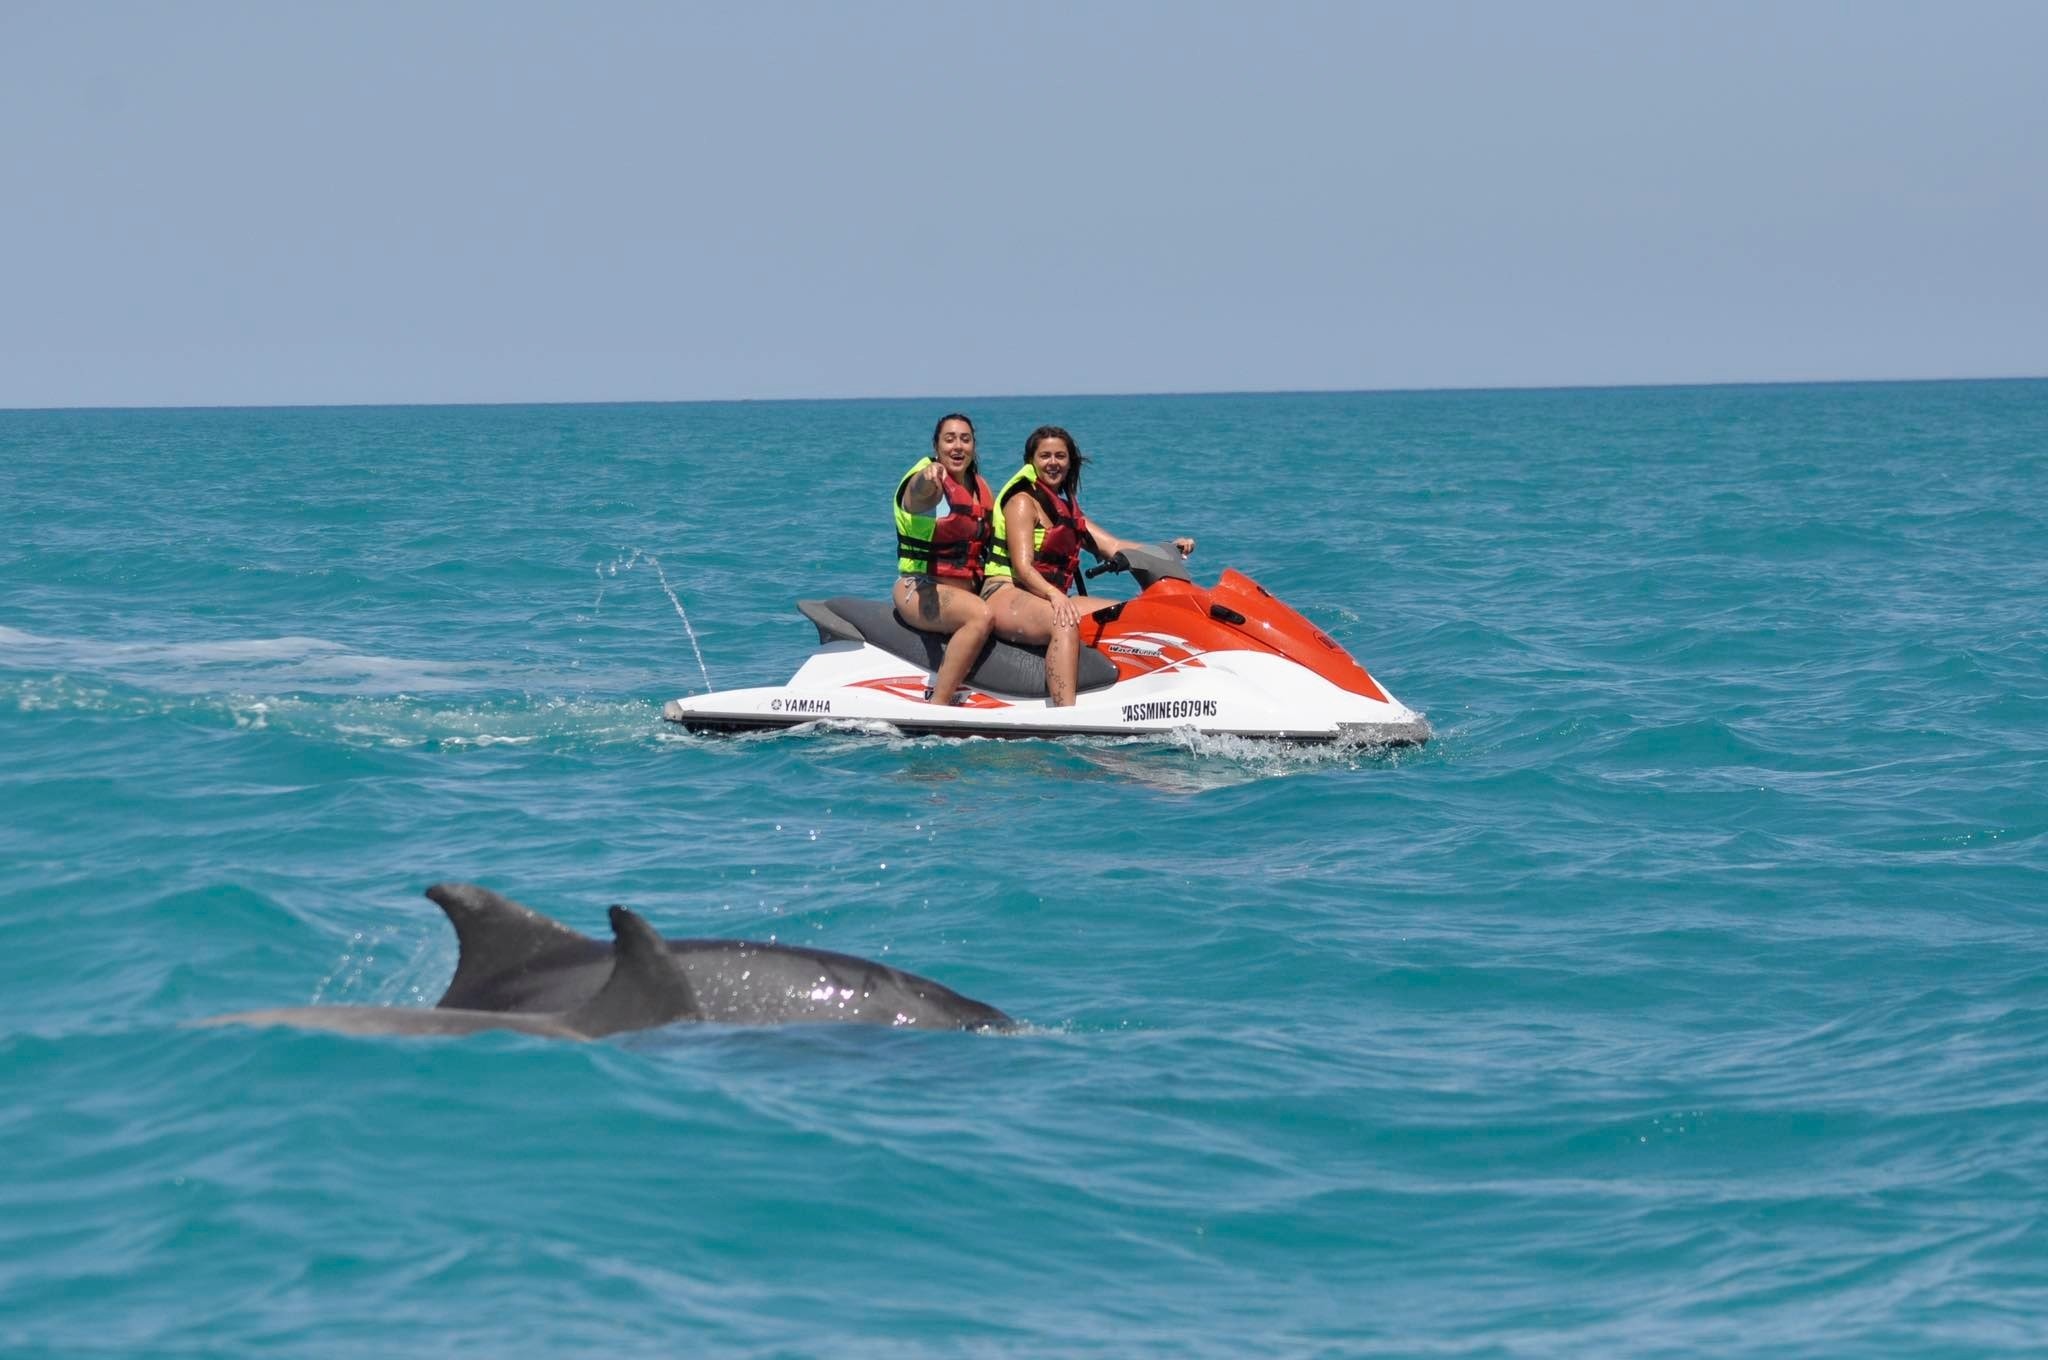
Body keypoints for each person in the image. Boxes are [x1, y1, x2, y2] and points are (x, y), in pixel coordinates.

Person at [984, 425, 1195, 706]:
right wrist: (1055, 595)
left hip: (1046, 596)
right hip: (1005, 592)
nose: (1053, 462)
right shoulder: (1022, 502)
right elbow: (1023, 569)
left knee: (1130, 614)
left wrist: (1165, 549)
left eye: (1060, 456)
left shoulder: (1066, 510)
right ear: (1031, 461)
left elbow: (1113, 545)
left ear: (1070, 462)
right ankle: (1064, 714)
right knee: (1064, 622)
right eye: (1045, 456)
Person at [892, 412, 998, 705]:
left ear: (974, 445)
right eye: (949, 439)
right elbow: (918, 493)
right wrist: (927, 477)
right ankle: (938, 706)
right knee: (980, 616)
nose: (958, 446)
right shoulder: (930, 484)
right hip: (920, 588)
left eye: (965, 439)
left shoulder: (980, 488)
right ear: (936, 446)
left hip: (969, 590)